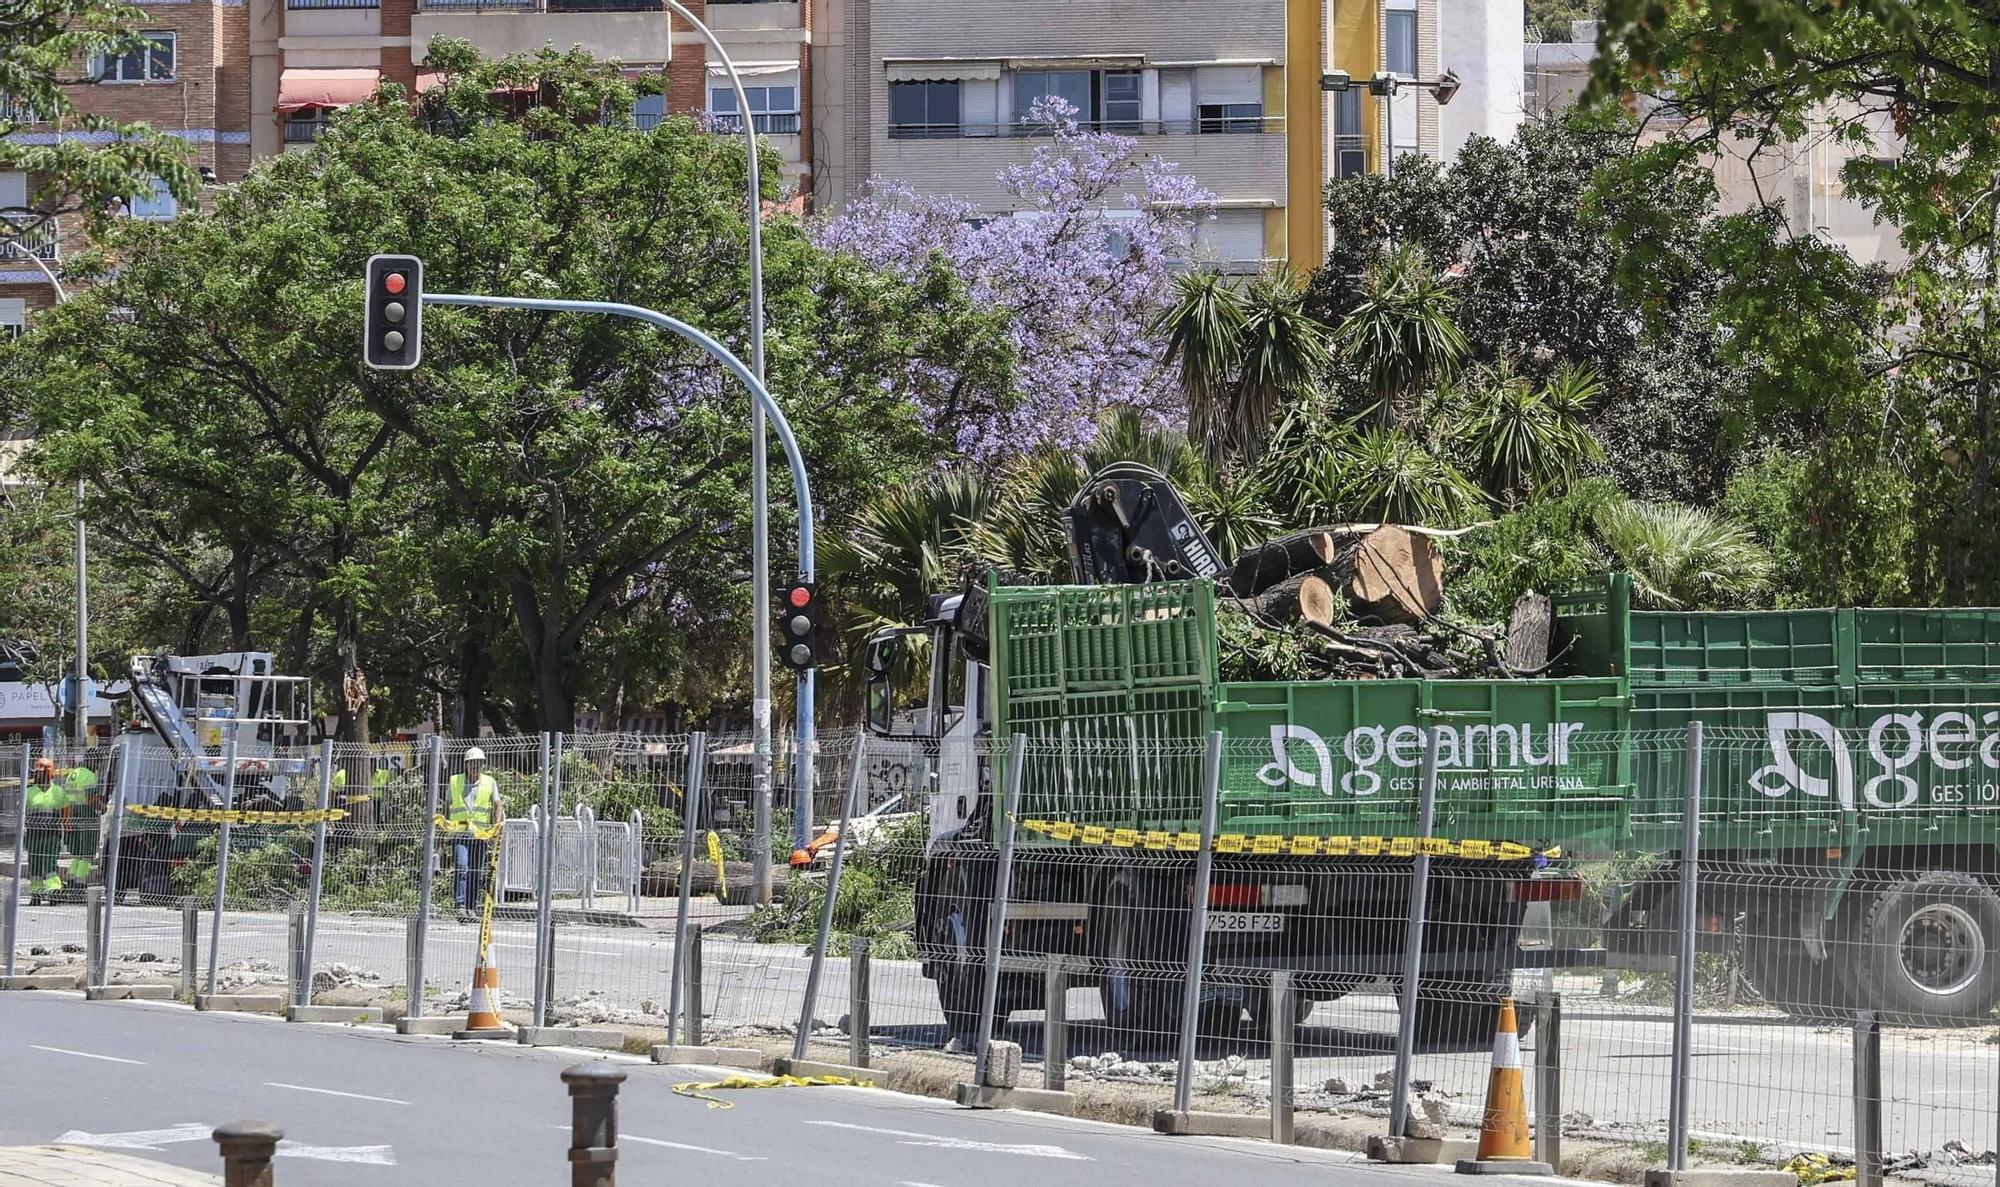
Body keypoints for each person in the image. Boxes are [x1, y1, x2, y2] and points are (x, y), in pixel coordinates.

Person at [447, 746, 502, 919]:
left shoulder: (489, 782)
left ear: (482, 765)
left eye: (478, 763)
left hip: (480, 835)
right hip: (460, 834)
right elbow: (447, 805)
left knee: (476, 871)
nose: (474, 767)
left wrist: (497, 826)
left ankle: (471, 907)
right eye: (471, 763)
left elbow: (498, 805)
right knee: (462, 867)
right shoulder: (455, 781)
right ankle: (460, 905)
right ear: (466, 764)